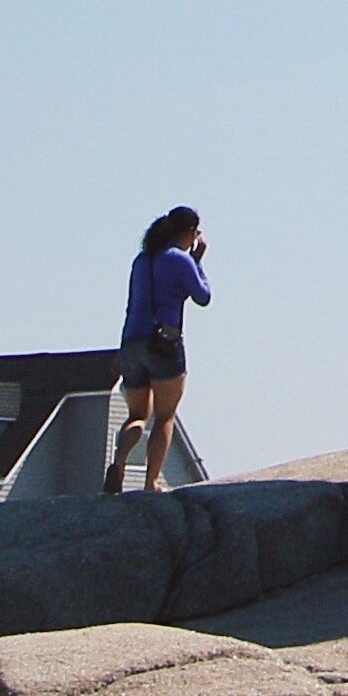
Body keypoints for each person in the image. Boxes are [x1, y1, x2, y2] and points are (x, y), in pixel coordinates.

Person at [108, 208, 211, 495]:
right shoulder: (179, 260)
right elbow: (203, 296)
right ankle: (151, 482)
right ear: (189, 232)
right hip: (165, 342)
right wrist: (197, 261)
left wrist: (121, 351)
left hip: (132, 342)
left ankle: (119, 461)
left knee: (137, 415)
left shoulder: (141, 261)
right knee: (165, 416)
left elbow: (131, 305)